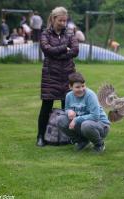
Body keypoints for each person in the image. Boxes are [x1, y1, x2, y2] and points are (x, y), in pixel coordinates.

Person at [36, 6, 79, 147]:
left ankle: (69, 136)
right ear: (53, 19)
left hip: (68, 75)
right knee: (46, 106)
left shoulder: (70, 33)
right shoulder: (45, 34)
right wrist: (63, 48)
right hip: (50, 76)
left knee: (68, 107)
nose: (63, 23)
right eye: (60, 20)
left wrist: (57, 53)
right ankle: (40, 137)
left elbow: (75, 51)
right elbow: (47, 50)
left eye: (65, 21)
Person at [57, 72, 110, 152]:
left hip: (101, 125)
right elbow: (66, 109)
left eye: (83, 86)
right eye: (77, 87)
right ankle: (81, 141)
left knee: (86, 125)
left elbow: (95, 116)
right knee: (60, 119)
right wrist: (69, 111)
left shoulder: (90, 95)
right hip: (83, 124)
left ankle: (99, 144)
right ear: (70, 87)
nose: (81, 89)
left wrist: (76, 119)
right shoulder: (69, 96)